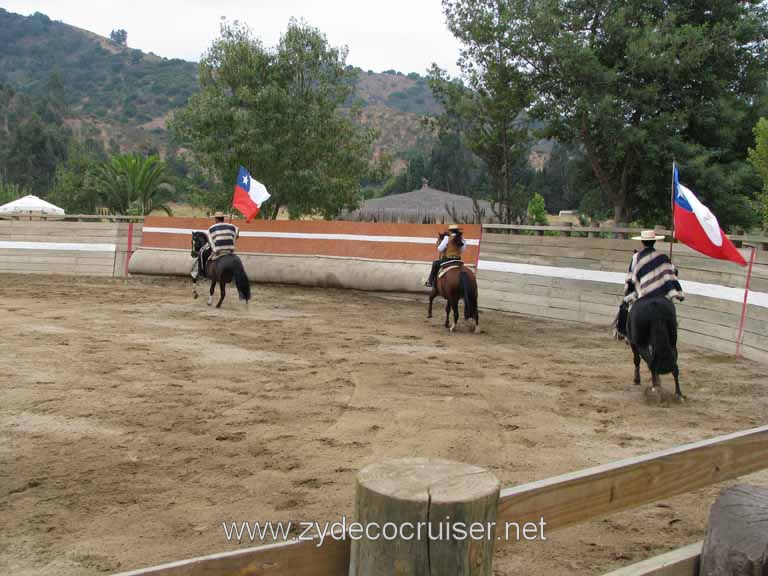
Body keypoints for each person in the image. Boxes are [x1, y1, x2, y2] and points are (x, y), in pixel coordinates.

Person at [615, 229, 684, 339]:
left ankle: (623, 332)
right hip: (661, 295)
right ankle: (673, 325)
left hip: (642, 294)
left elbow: (630, 277)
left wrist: (628, 290)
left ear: (642, 242)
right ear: (654, 242)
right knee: (670, 309)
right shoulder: (663, 257)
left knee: (624, 306)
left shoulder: (636, 257)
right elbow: (672, 273)